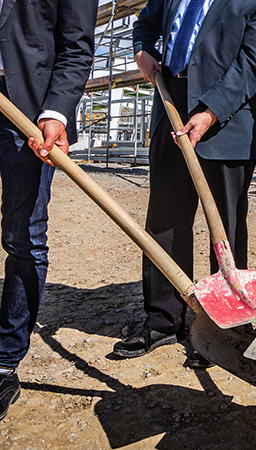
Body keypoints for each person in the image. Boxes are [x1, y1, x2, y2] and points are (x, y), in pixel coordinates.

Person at [112, 0, 256, 364]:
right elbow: (145, 24)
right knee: (164, 220)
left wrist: (210, 112)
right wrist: (143, 51)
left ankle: (222, 326)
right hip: (170, 105)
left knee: (224, 223)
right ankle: (163, 318)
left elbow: (255, 59)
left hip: (227, 115)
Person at [0, 0, 97, 421]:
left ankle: (4, 360)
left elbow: (76, 46)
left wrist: (56, 111)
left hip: (26, 115)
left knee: (23, 236)